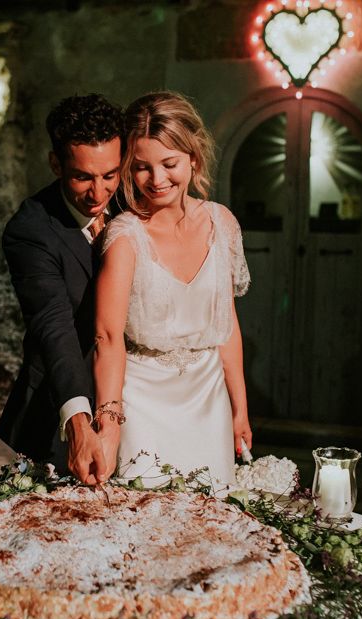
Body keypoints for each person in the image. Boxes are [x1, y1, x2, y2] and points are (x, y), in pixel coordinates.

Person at [93, 92, 252, 486]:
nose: (157, 179)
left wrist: (239, 409)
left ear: (193, 158)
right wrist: (109, 426)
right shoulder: (126, 235)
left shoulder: (222, 224)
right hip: (142, 406)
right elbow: (108, 337)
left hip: (208, 401)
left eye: (170, 164)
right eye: (142, 167)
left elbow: (227, 324)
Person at [0, 94, 124, 485]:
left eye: (110, 175)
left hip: (142, 394)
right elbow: (53, 325)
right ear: (56, 164)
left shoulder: (132, 201)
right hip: (64, 394)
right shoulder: (30, 230)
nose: (99, 193)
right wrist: (79, 421)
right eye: (82, 176)